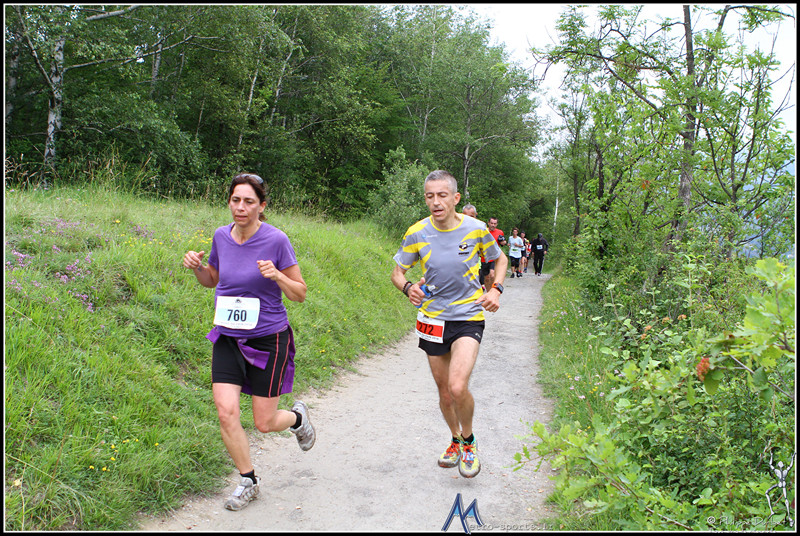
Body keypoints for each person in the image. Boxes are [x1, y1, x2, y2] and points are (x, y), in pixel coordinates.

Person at [182, 173, 316, 512]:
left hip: (269, 339)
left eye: (249, 202)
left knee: (264, 423)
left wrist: (278, 275)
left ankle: (297, 419)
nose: (240, 207)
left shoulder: (276, 240)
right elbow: (212, 279)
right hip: (228, 337)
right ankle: (248, 480)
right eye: (235, 200)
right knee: (226, 411)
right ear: (229, 201)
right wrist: (197, 267)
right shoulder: (220, 236)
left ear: (261, 206)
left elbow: (299, 293)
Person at [391, 170, 507, 479]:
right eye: (430, 196)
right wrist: (408, 288)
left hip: (468, 315)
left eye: (442, 195)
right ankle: (455, 438)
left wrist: (496, 289)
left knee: (457, 386)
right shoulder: (417, 232)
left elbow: (500, 260)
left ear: (455, 198)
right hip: (433, 319)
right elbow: (397, 273)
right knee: (444, 393)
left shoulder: (476, 229)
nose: (436, 202)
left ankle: (468, 441)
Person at [482, 217, 506, 291]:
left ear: (497, 224)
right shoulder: (484, 231)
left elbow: (503, 243)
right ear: (488, 223)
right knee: (486, 278)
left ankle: (492, 291)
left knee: (492, 275)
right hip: (484, 257)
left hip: (494, 257)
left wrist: (503, 242)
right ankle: (489, 292)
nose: (493, 225)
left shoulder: (500, 232)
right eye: (491, 223)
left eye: (495, 224)